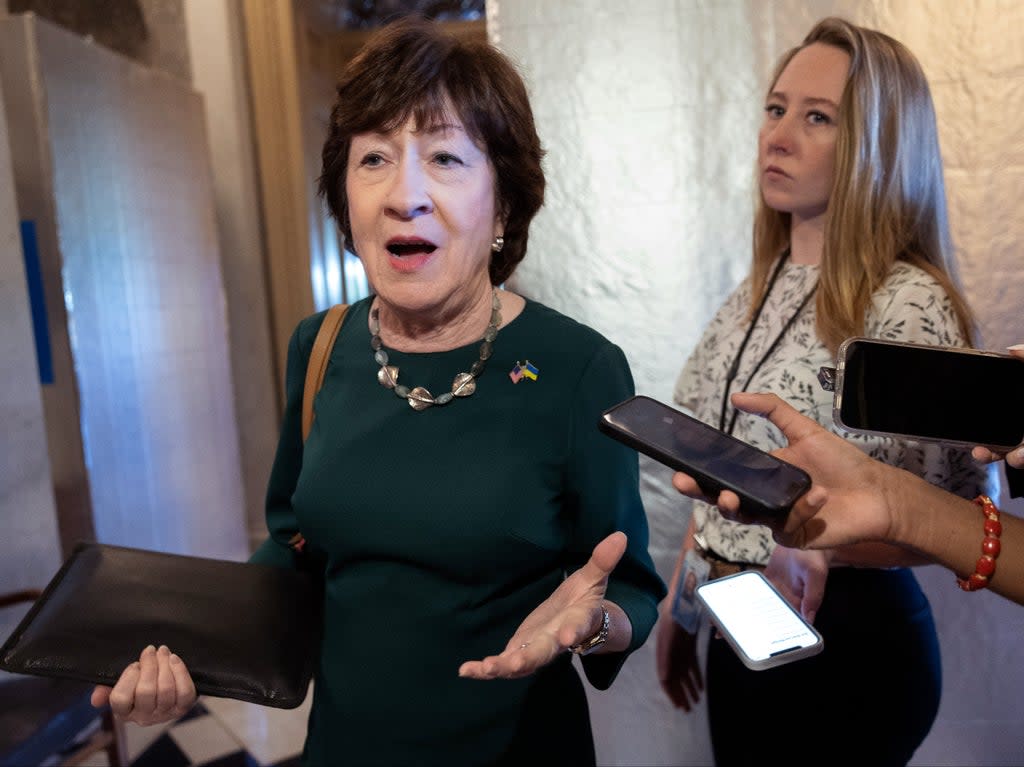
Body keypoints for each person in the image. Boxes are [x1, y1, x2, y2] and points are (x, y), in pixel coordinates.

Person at [90, 17, 666, 767]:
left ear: (502, 207)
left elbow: (627, 587)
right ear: (345, 198)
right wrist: (192, 648)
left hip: (514, 747)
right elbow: (294, 541)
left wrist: (593, 624)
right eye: (374, 159)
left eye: (446, 158)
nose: (405, 194)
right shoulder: (320, 345)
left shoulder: (578, 368)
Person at [655, 16, 990, 767]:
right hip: (742, 624)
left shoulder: (908, 305)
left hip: (851, 641)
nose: (777, 136)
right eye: (776, 109)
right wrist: (682, 607)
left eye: (817, 118)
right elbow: (716, 470)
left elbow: (955, 520)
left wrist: (825, 551)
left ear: (876, 143)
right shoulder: (755, 290)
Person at [673, 385, 1023, 605]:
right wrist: (890, 498)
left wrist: (889, 506)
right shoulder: (749, 295)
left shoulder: (913, 296)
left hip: (854, 613)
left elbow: (967, 485)